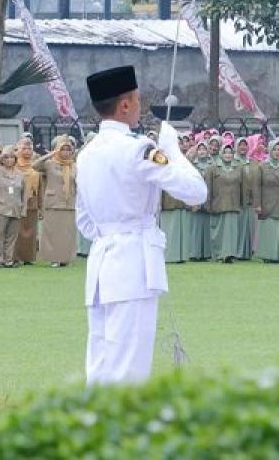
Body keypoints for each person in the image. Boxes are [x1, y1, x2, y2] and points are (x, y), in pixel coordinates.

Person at [75, 65, 206, 385]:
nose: (139, 106)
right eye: (136, 100)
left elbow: (84, 221)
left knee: (101, 367)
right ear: (124, 105)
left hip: (102, 264)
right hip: (133, 266)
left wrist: (112, 234)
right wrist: (173, 150)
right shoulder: (139, 149)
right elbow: (196, 191)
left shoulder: (86, 154)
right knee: (129, 371)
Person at [35, 136, 79, 267]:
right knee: (53, 232)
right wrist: (50, 154)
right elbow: (35, 165)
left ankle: (65, 258)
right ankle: (54, 258)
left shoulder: (74, 166)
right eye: (63, 149)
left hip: (68, 202)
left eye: (68, 150)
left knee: (67, 233)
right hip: (53, 202)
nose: (66, 152)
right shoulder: (50, 163)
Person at [0, 146, 28, 267]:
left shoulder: (20, 174)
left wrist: (23, 209)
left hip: (15, 208)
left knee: (11, 237)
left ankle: (9, 259)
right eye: (6, 157)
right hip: (0, 208)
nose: (9, 160)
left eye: (12, 157)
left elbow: (24, 193)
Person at [254, 141, 279, 262]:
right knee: (269, 229)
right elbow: (256, 186)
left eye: (278, 149)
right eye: (274, 149)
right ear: (270, 151)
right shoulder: (262, 166)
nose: (277, 152)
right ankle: (267, 255)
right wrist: (258, 204)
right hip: (268, 202)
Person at [205, 145, 244, 262]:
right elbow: (208, 187)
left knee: (232, 231)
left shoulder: (238, 168)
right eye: (225, 152)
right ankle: (219, 254)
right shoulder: (212, 168)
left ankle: (230, 254)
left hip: (233, 204)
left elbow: (242, 187)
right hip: (219, 204)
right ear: (221, 154)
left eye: (230, 153)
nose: (228, 155)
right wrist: (208, 203)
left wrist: (242, 202)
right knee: (218, 232)